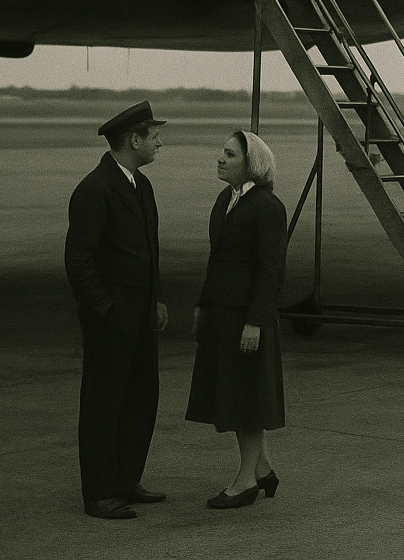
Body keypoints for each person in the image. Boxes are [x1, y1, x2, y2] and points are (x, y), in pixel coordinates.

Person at [64, 101, 169, 520]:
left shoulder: (140, 185)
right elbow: (79, 260)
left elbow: (148, 250)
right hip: (113, 316)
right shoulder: (95, 188)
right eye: (154, 135)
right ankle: (100, 492)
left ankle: (127, 479)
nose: (160, 141)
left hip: (141, 313)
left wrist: (156, 297)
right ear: (134, 140)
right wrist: (106, 308)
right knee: (103, 403)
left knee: (142, 397)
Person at [186, 130, 289, 509]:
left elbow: (270, 271)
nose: (220, 158)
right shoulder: (225, 200)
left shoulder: (266, 207)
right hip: (221, 315)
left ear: (251, 165)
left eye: (229, 154)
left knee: (245, 402)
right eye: (222, 153)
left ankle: (245, 482)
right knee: (239, 395)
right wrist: (202, 306)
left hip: (246, 319)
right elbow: (219, 261)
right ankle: (261, 467)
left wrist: (256, 322)